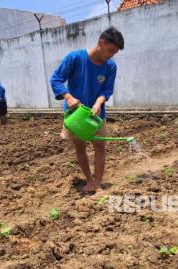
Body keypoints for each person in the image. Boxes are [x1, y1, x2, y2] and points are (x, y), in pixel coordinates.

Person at [50, 27, 124, 192]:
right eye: (110, 50)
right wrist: (68, 97)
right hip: (76, 114)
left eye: (115, 52)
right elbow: (56, 79)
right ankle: (88, 179)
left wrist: (98, 102)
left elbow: (107, 90)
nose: (111, 55)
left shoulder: (110, 66)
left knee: (99, 146)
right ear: (101, 43)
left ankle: (96, 183)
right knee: (80, 146)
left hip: (96, 115)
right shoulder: (75, 58)